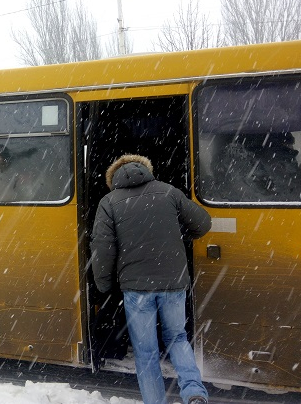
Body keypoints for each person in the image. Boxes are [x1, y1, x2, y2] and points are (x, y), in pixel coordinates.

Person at [90, 154, 211, 404]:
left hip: (137, 289)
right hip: (174, 281)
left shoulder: (109, 202)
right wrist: (180, 236)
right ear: (146, 169)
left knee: (146, 353)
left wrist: (104, 285)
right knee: (177, 338)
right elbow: (202, 223)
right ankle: (194, 392)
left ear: (113, 178)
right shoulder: (168, 192)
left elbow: (103, 248)